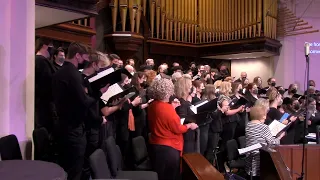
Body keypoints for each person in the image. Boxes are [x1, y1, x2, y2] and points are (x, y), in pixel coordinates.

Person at [51, 42, 109, 180]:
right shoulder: (72, 74)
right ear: (77, 55)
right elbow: (84, 102)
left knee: (67, 167)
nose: (86, 61)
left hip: (63, 125)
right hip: (73, 129)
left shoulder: (60, 72)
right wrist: (99, 93)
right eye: (84, 57)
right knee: (75, 170)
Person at [148, 78, 198, 180]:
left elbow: (162, 121)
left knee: (161, 175)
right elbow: (178, 128)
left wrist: (173, 107)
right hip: (168, 148)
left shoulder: (153, 104)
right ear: (170, 91)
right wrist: (189, 126)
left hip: (156, 144)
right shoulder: (167, 109)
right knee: (170, 176)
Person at [245, 105, 285, 180]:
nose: (265, 117)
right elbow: (273, 143)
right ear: (262, 116)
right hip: (260, 160)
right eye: (265, 115)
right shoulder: (264, 127)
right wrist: (279, 137)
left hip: (249, 158)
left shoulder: (248, 125)